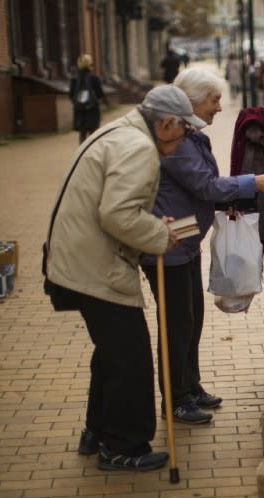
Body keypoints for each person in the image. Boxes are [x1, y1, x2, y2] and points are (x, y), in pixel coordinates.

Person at [45, 85, 207, 471]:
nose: (187, 138)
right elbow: (117, 215)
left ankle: (97, 432)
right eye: (185, 129)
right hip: (93, 268)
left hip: (75, 261)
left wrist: (151, 225)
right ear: (167, 123)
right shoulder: (138, 148)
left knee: (112, 354)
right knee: (130, 359)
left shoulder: (118, 131)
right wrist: (158, 236)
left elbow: (119, 208)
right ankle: (122, 447)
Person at [140, 67, 264, 425]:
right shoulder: (177, 141)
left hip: (185, 242)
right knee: (176, 325)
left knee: (191, 319)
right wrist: (254, 182)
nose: (219, 107)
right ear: (190, 102)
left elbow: (203, 190)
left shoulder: (191, 135)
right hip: (167, 246)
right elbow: (205, 186)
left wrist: (223, 201)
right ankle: (175, 400)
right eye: (214, 99)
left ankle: (190, 386)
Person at [69, 54, 107, 144]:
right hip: (92, 108)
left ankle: (82, 152)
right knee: (93, 133)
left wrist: (78, 102)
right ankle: (92, 152)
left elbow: (71, 95)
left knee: (82, 133)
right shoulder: (94, 77)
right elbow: (100, 94)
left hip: (79, 109)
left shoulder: (74, 79)